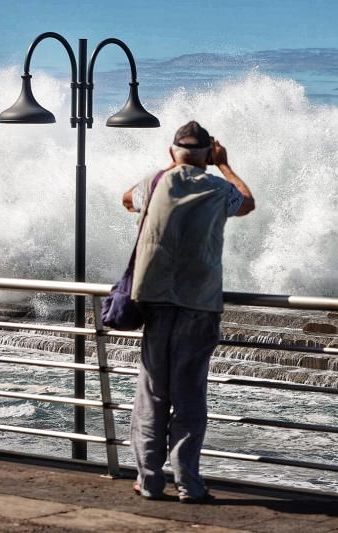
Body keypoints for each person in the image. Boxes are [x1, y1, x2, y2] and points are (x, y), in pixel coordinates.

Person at [122, 120, 255, 503]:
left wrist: (168, 176)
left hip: (156, 304)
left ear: (172, 151)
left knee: (152, 395)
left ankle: (149, 481)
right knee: (190, 396)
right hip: (198, 305)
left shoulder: (154, 181)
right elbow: (247, 202)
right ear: (209, 156)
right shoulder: (218, 187)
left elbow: (126, 200)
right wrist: (225, 166)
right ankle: (189, 485)